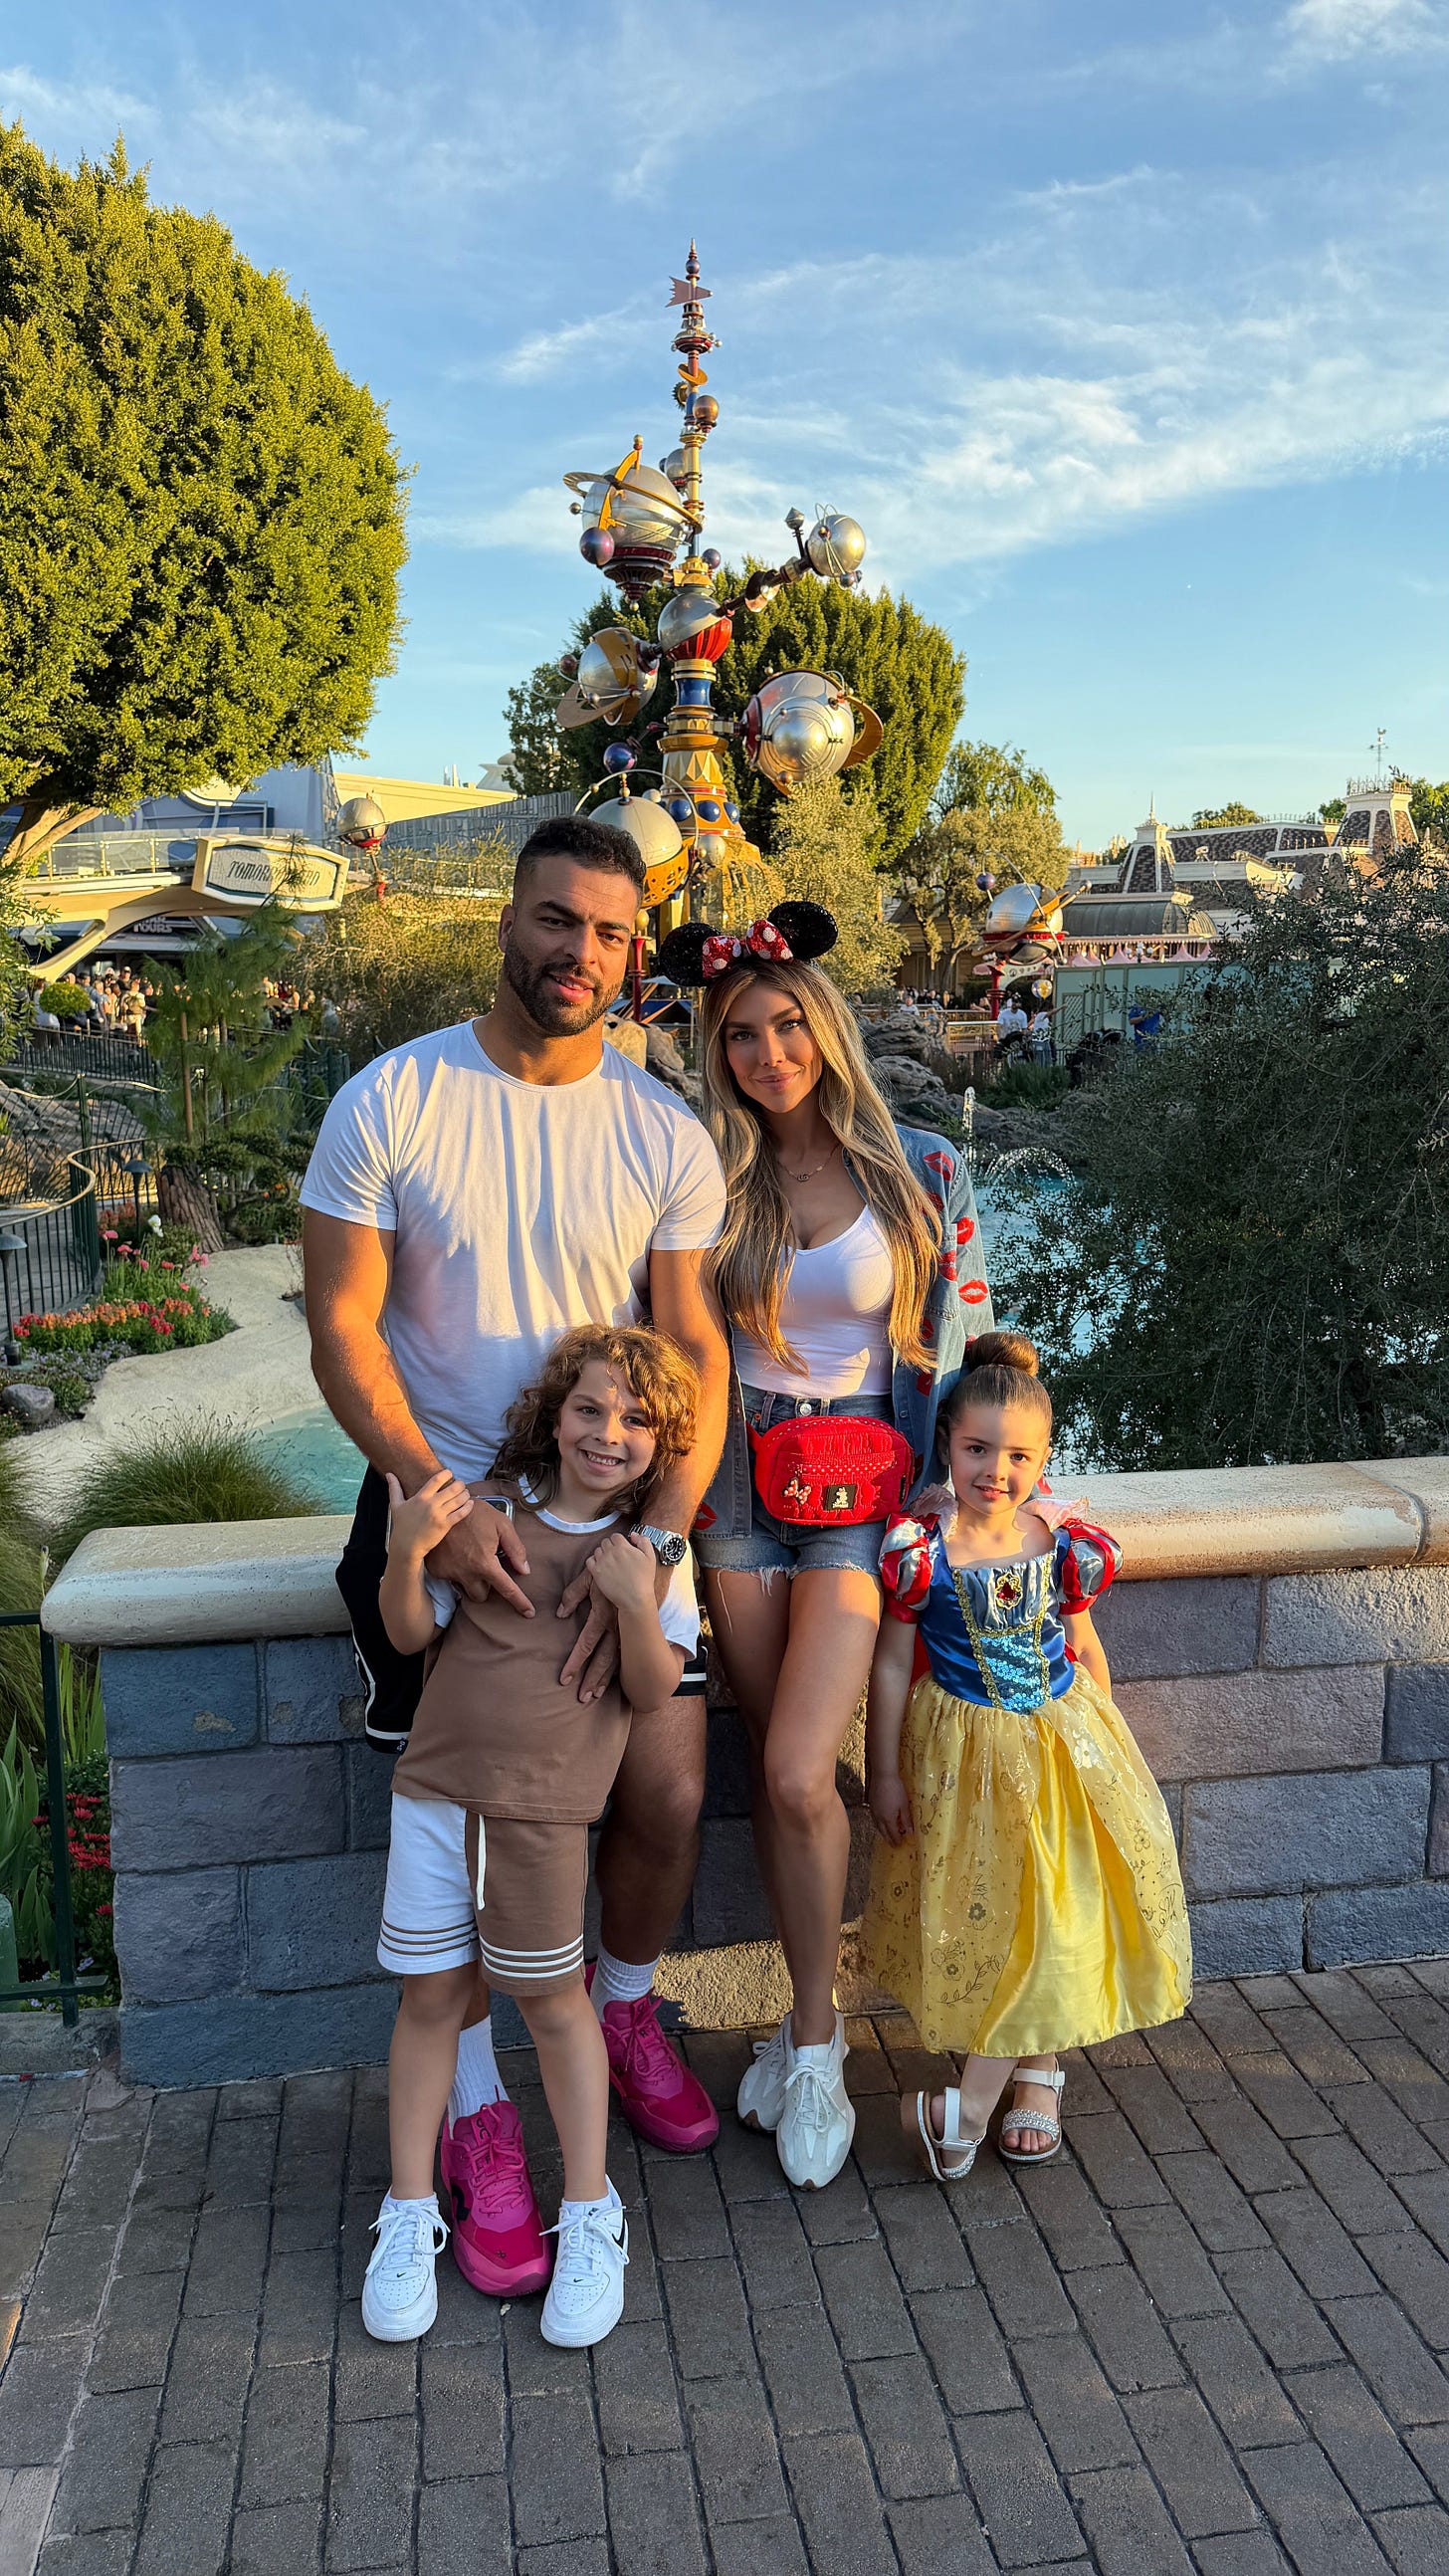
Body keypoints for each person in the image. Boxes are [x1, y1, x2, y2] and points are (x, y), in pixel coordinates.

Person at [300, 814, 730, 2301]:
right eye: (557, 919)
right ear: (508, 920)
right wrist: (436, 1496)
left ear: (633, 950)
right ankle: (479, 2120)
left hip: (612, 1523)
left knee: (665, 1790)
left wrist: (655, 1544)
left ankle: (619, 2006)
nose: (580, 952)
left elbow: (692, 1351)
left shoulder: (663, 1132)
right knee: (462, 1830)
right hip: (441, 1524)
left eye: (610, 932)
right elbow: (342, 1327)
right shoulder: (391, 1097)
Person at [659, 903, 993, 2190]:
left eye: (788, 1024)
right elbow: (676, 1343)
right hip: (736, 1480)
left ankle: (813, 2044)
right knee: (774, 1767)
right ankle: (810, 2014)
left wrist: (973, 1483)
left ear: (828, 1029)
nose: (768, 1052)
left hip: (865, 1481)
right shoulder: (706, 1176)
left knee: (804, 1768)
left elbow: (959, 1339)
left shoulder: (921, 1171)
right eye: (740, 1034)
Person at [363, 1323, 702, 2349]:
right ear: (553, 1416)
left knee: (555, 2006)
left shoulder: (650, 1556)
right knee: (430, 1997)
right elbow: (410, 1631)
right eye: (589, 1408)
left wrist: (633, 1603)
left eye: (636, 1421)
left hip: (545, 1818)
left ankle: (591, 2212)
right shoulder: (486, 1514)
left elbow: (653, 1688)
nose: (608, 1432)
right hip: (434, 1797)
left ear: (661, 1445)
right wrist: (405, 1549)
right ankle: (409, 2210)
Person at [864, 1330, 1191, 2178]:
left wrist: (1105, 1751)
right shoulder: (921, 1552)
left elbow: (1083, 1647)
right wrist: (885, 1769)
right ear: (948, 1444)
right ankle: (1017, 2079)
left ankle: (973, 2107)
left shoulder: (1062, 1545)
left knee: (1052, 1911)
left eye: (1018, 1456)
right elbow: (892, 1664)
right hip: (963, 1761)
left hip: (1058, 1752)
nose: (996, 1471)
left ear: (1043, 1460)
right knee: (1002, 1915)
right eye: (977, 1449)